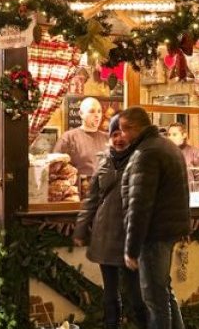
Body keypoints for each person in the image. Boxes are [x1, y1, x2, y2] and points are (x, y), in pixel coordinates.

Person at [118, 107, 190, 329]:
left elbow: (139, 205)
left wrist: (131, 248)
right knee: (164, 292)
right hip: (167, 231)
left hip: (153, 234)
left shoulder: (146, 153)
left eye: (123, 130)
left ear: (133, 128)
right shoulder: (165, 145)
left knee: (154, 299)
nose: (121, 136)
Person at [74, 115, 147, 329]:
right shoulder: (104, 161)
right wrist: (80, 229)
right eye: (114, 134)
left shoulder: (141, 159)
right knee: (110, 291)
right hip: (105, 233)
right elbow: (92, 198)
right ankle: (111, 325)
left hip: (130, 234)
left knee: (136, 293)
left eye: (122, 133)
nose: (118, 139)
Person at [54, 97, 109, 181]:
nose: (97, 115)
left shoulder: (108, 138)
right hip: (78, 190)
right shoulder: (68, 138)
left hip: (104, 191)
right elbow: (55, 170)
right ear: (81, 113)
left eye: (99, 111)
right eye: (92, 111)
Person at [163, 122, 199, 192]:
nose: (170, 137)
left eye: (174, 134)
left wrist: (197, 196)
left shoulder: (195, 153)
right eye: (169, 135)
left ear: (184, 135)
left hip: (190, 197)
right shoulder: (163, 153)